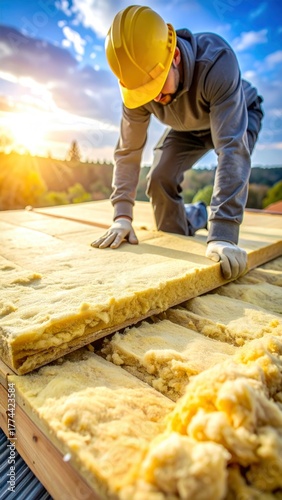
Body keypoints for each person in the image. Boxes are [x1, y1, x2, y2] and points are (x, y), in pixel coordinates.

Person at [91, 5, 263, 280]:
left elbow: (232, 149)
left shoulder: (217, 61)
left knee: (231, 161)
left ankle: (215, 224)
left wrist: (224, 234)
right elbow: (128, 151)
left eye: (157, 87)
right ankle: (196, 217)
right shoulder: (138, 89)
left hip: (236, 115)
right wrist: (122, 216)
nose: (154, 98)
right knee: (159, 179)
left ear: (176, 56)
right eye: (145, 93)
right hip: (187, 125)